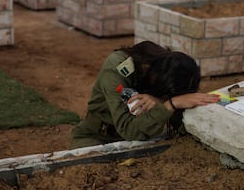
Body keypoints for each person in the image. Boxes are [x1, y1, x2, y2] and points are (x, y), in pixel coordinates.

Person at [70, 41, 220, 149]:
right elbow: (128, 129)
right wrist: (170, 105)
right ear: (156, 80)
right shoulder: (117, 69)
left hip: (142, 138)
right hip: (99, 137)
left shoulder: (171, 71)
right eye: (167, 95)